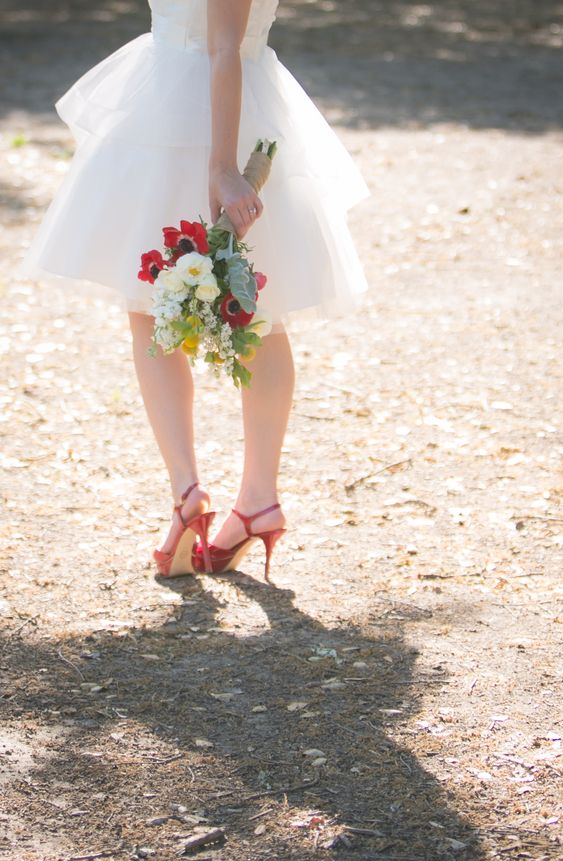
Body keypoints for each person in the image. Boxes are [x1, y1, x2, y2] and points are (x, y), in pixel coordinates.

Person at [18, 0, 371, 581]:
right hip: (187, 101)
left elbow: (224, 45)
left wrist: (222, 167)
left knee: (222, 307)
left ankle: (195, 496)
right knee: (213, 310)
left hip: (206, 114)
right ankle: (250, 498)